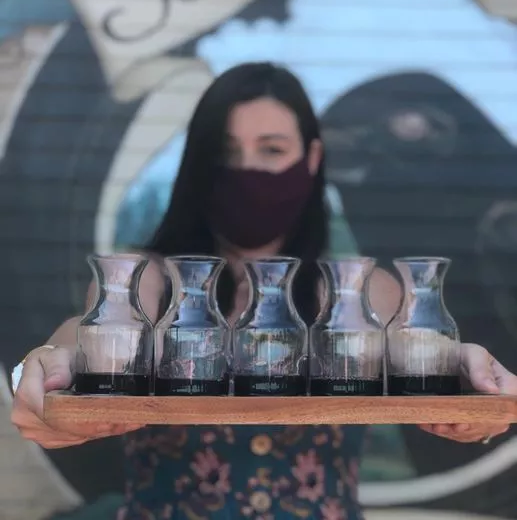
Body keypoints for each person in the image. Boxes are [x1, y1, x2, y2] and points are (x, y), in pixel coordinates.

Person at [11, 63, 517, 520]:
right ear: (198, 163)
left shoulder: (363, 293)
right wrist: (48, 364)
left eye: (271, 149)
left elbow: (427, 351)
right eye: (226, 152)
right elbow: (86, 336)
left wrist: (471, 372)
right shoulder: (148, 280)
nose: (248, 169)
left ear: (312, 158)